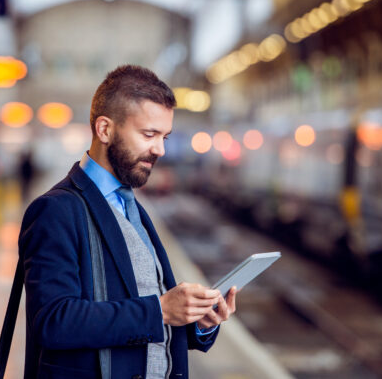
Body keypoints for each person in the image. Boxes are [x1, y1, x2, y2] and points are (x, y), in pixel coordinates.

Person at [19, 65, 237, 379]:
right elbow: (54, 321)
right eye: (149, 134)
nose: (160, 149)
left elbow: (145, 316)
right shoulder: (56, 211)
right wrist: (160, 308)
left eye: (164, 136)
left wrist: (197, 322)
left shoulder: (132, 206)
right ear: (104, 129)